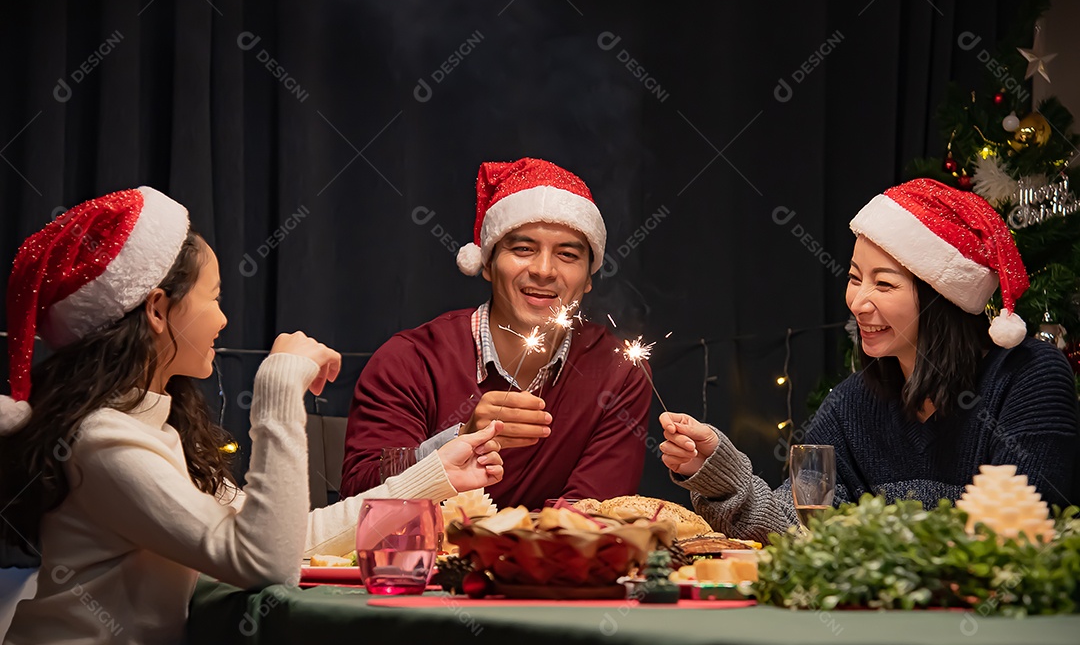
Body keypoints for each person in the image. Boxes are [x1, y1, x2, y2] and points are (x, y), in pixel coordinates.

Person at [0, 188, 504, 645]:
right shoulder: (104, 441)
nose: (223, 319)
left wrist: (435, 475)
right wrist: (279, 389)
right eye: (214, 296)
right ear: (158, 310)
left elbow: (292, 538)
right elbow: (267, 562)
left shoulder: (152, 427)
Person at [659, 178, 1079, 543]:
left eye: (884, 283)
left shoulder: (1028, 377)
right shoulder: (850, 407)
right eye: (855, 277)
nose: (858, 302)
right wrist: (717, 471)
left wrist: (862, 543)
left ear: (941, 298)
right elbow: (796, 532)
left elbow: (1020, 533)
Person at [340, 158, 652, 510]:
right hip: (431, 563)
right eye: (523, 249)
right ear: (487, 263)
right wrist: (459, 439)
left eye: (567, 254)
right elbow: (358, 502)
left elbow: (593, 517)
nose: (544, 270)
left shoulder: (618, 371)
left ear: (589, 276)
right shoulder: (409, 361)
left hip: (553, 563)